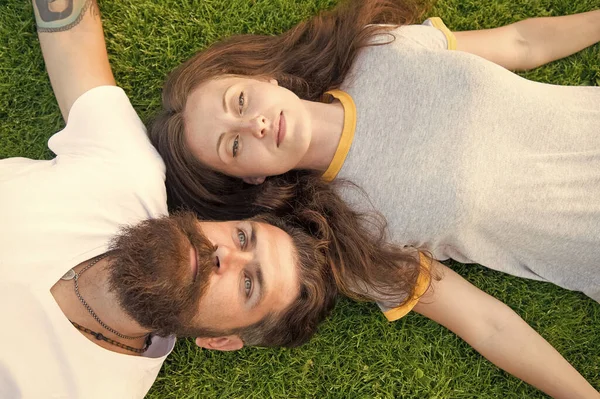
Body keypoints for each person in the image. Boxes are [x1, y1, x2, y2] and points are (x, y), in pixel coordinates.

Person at [148, 0, 600, 397]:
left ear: (264, 78)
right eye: (234, 145)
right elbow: (487, 323)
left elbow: (522, 43)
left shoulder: (380, 50)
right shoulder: (353, 237)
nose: (255, 126)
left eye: (240, 101)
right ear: (251, 179)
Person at [0, 1, 338, 397]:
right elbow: (71, 37)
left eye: (249, 284)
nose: (224, 255)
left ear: (222, 340)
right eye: (243, 238)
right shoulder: (127, 172)